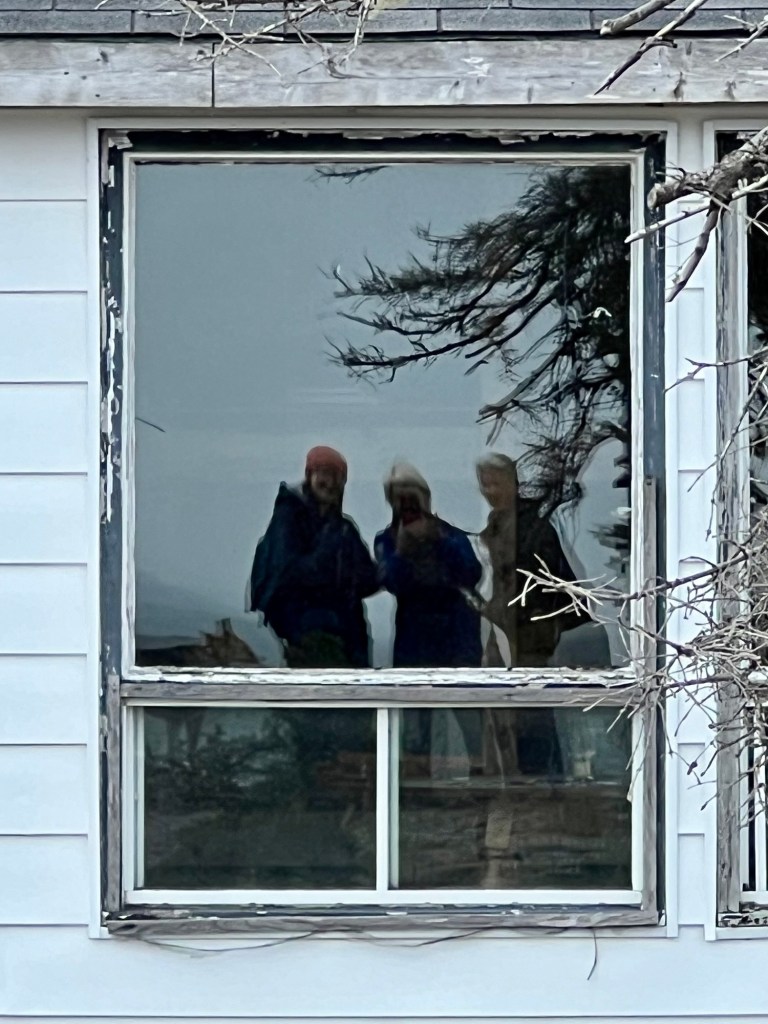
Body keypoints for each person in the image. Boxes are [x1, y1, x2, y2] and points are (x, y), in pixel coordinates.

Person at [248, 445, 378, 668]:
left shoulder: (343, 528)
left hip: (348, 646)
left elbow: (367, 580)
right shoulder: (288, 519)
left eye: (338, 477)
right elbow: (288, 572)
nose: (331, 482)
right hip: (308, 643)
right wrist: (330, 552)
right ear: (309, 476)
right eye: (324, 473)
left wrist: (397, 559)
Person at [476, 452, 584, 668]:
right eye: (486, 485)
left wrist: (541, 621)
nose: (491, 491)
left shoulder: (537, 531)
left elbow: (561, 587)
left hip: (531, 636)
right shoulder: (491, 533)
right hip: (502, 628)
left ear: (513, 485)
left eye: (497, 484)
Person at [375, 463, 482, 668]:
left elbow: (471, 573)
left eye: (412, 497)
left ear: (425, 497)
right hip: (414, 644)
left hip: (456, 639)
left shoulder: (450, 535)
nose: (408, 505)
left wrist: (438, 540)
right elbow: (390, 582)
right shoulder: (387, 541)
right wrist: (402, 551)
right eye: (400, 499)